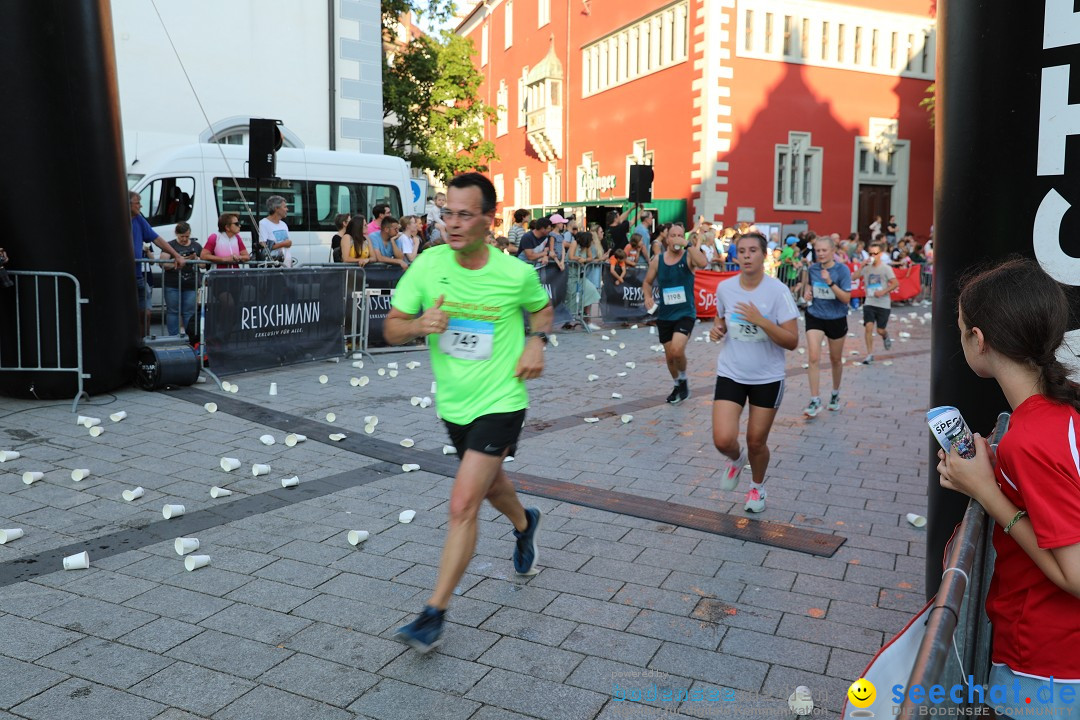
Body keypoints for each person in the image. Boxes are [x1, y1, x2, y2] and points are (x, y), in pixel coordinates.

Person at [385, 172, 552, 653]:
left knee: (463, 504)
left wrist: (536, 342)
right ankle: (526, 524)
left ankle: (433, 615)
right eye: (446, 213)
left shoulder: (513, 273)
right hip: (454, 406)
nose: (451, 224)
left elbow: (541, 310)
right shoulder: (428, 265)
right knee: (491, 482)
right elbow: (391, 329)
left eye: (463, 214)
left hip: (503, 400)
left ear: (488, 219)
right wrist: (419, 324)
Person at [935, 258, 1080, 717]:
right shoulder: (1058, 414)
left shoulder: (1029, 439)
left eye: (961, 330)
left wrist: (987, 493)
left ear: (979, 340)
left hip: (1046, 666)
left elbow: (1078, 576)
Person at [710, 232, 799, 513]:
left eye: (753, 251)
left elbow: (792, 340)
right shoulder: (725, 288)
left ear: (764, 256)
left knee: (756, 441)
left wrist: (760, 320)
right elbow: (721, 318)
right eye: (742, 251)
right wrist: (718, 329)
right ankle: (736, 460)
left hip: (767, 378)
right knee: (723, 439)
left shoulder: (777, 292)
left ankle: (757, 488)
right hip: (731, 371)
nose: (747, 256)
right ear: (736, 256)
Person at [642, 223, 708, 404]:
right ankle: (677, 384)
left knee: (677, 350)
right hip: (665, 315)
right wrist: (648, 297)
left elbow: (703, 262)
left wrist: (688, 244)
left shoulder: (688, 257)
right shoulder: (658, 260)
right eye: (673, 235)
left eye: (680, 235)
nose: (677, 238)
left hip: (685, 313)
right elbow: (647, 282)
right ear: (667, 238)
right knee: (670, 356)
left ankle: (684, 378)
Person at [799, 235, 852, 417]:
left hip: (837, 318)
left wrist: (830, 282)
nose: (820, 254)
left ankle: (835, 394)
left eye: (824, 250)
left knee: (835, 359)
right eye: (817, 250)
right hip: (815, 316)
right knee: (813, 357)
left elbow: (846, 299)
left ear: (832, 251)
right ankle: (815, 400)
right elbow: (809, 288)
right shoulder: (813, 269)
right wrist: (807, 293)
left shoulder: (842, 270)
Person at [129, 191, 186, 336]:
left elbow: (157, 239)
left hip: (138, 276)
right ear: (128, 204)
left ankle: (144, 344)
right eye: (138, 202)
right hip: (123, 276)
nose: (140, 205)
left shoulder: (139, 219)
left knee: (145, 314)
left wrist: (176, 255)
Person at [855, 241, 899, 364]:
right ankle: (869, 354)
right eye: (870, 253)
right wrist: (861, 266)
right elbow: (853, 277)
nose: (873, 255)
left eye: (875, 253)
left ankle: (885, 335)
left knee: (880, 330)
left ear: (881, 254)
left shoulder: (886, 268)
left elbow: (895, 283)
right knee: (868, 327)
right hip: (869, 301)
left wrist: (883, 291)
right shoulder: (866, 267)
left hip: (883, 303)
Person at [162, 222, 203, 337]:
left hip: (191, 285)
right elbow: (163, 263)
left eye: (187, 236)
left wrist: (195, 258)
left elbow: (204, 265)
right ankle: (173, 338)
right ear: (176, 234)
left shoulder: (196, 246)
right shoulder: (170, 245)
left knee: (189, 312)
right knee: (173, 312)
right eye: (182, 236)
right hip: (172, 284)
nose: (184, 239)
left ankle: (189, 338)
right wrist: (177, 263)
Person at [569, 230, 604, 330]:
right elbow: (571, 256)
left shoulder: (587, 247)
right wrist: (578, 258)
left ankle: (587, 319)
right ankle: (567, 320)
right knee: (571, 299)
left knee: (591, 290)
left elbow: (590, 258)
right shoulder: (574, 243)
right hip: (570, 275)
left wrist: (584, 260)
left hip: (580, 276)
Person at [258, 195, 293, 265]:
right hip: (273, 265)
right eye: (285, 207)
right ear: (276, 208)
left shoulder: (283, 224)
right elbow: (263, 246)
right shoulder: (263, 223)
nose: (287, 209)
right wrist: (283, 244)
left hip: (286, 264)